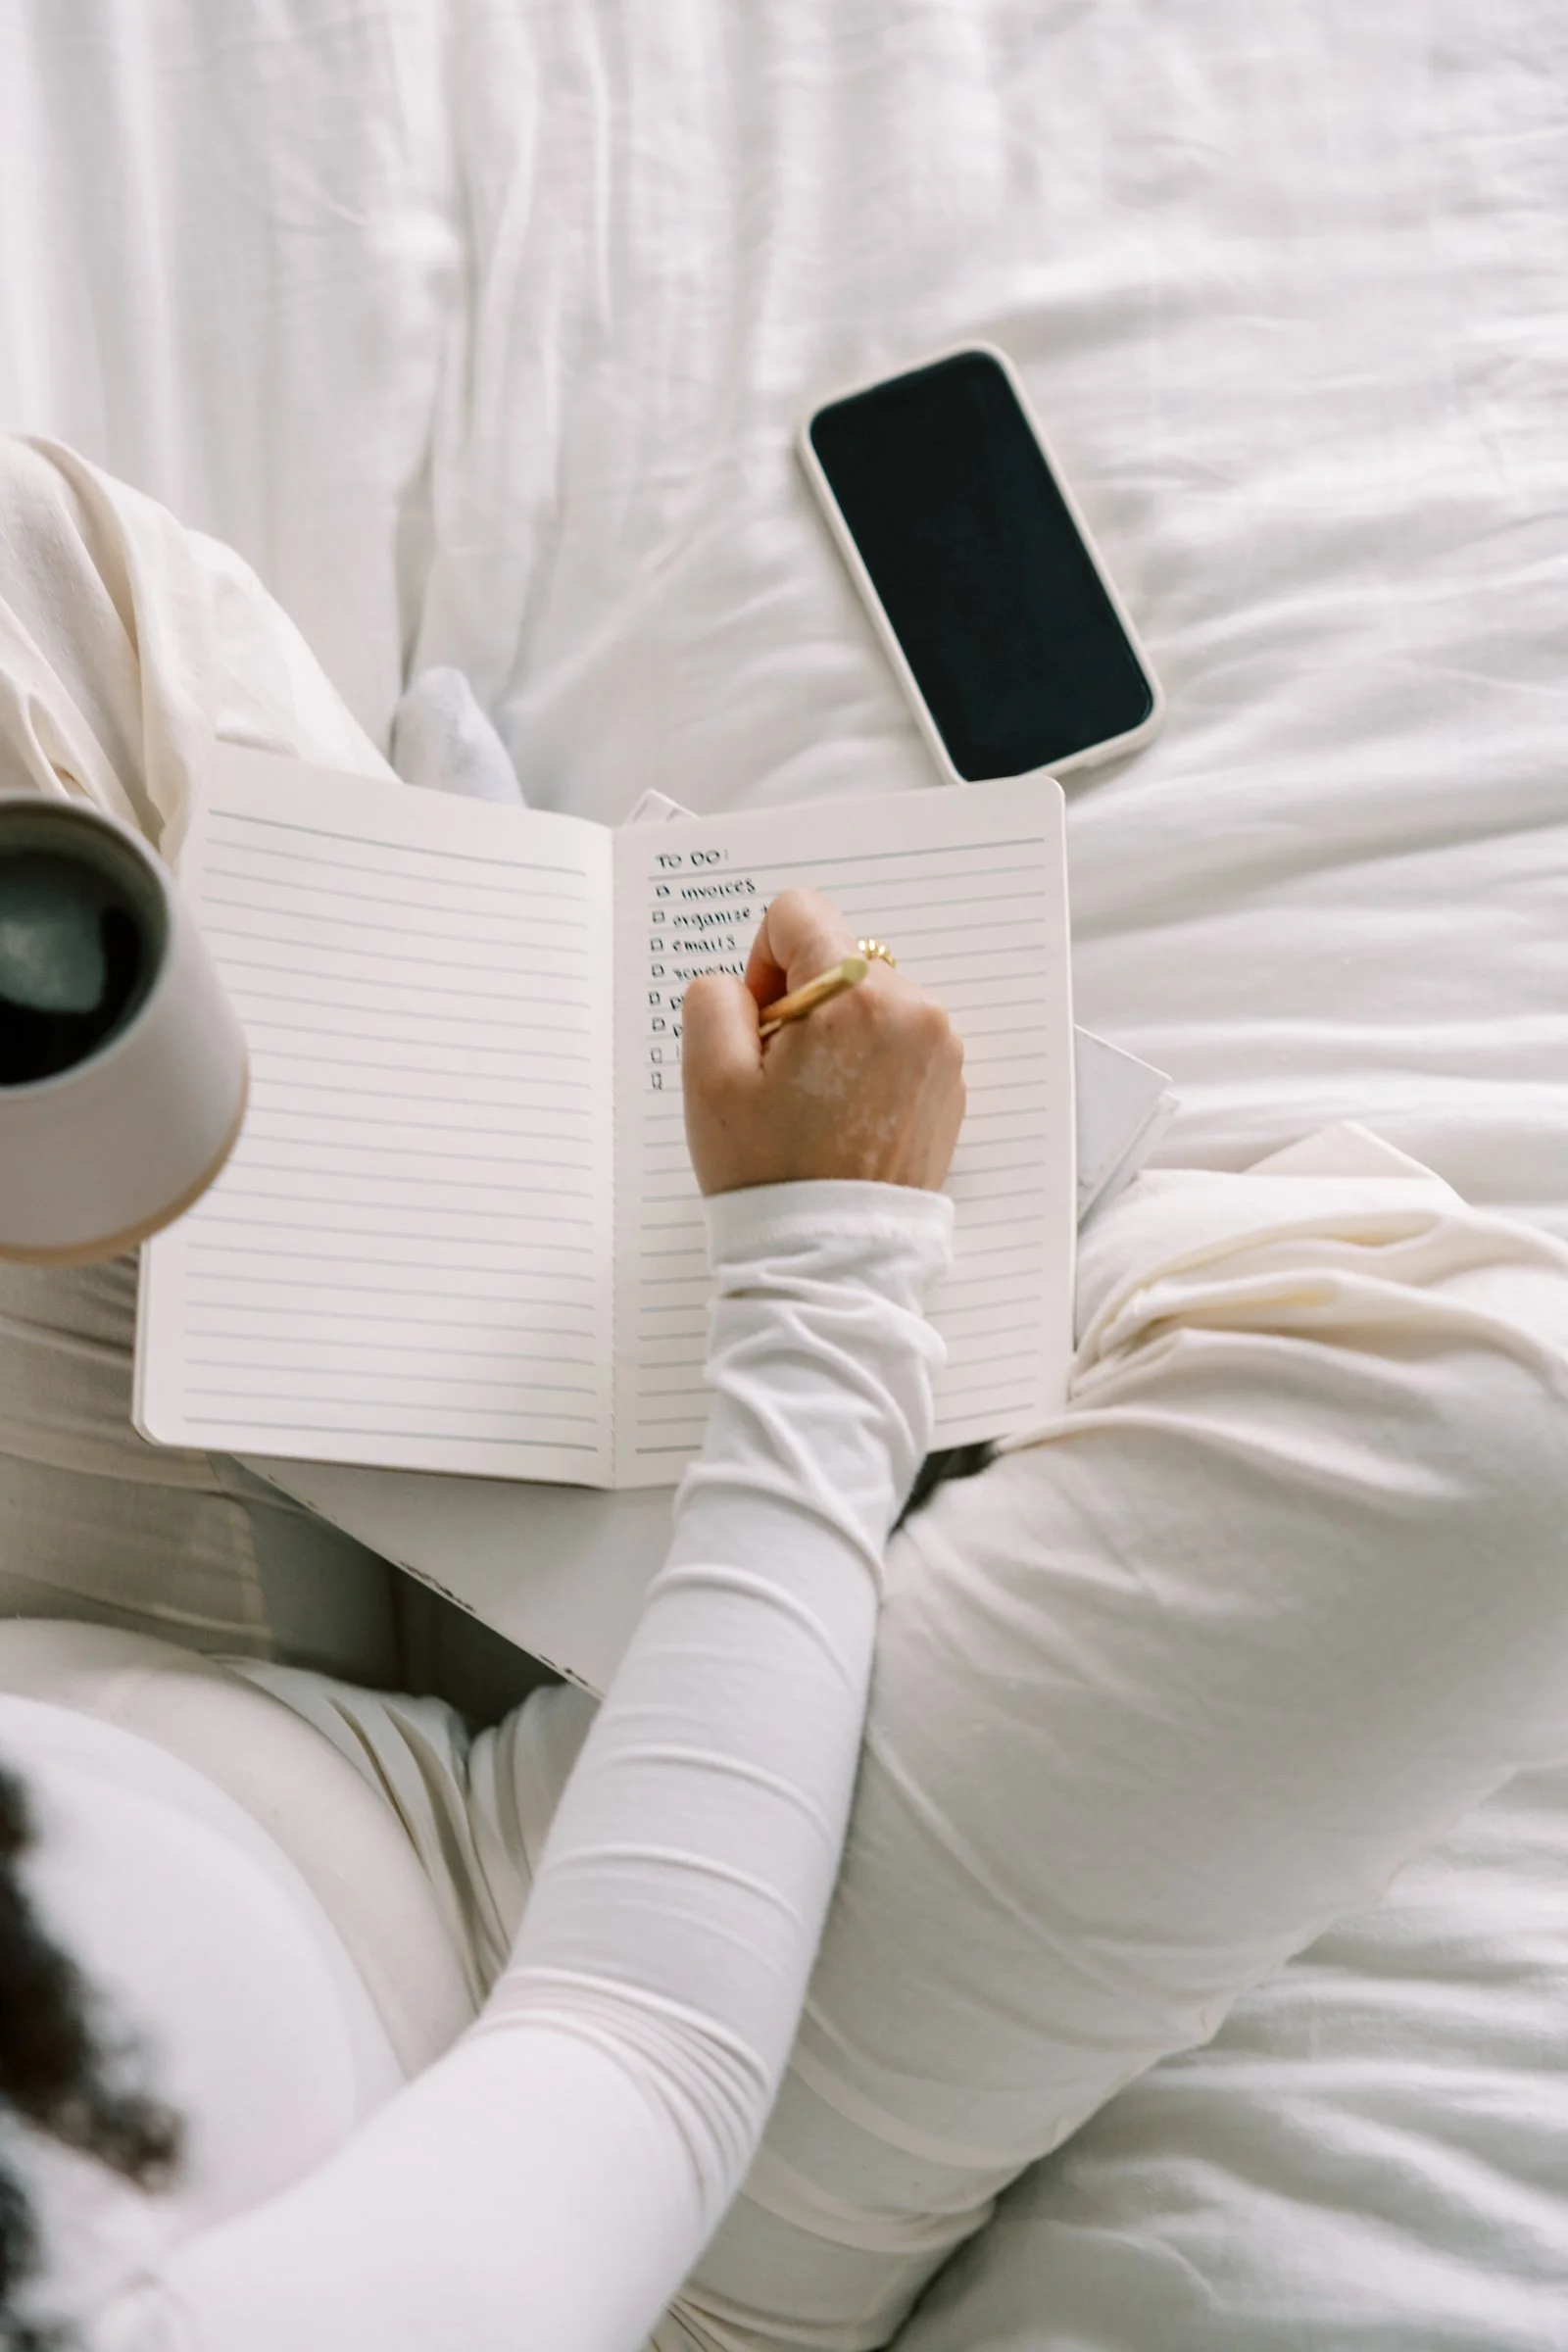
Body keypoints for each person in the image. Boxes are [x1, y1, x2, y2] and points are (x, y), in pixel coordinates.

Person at [3, 435, 1568, 2350]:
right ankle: (699, 1337)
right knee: (1487, 1428)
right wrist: (825, 1262)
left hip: (84, 1668)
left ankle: (461, 1147)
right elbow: (636, 2047)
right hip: (562, 2075)